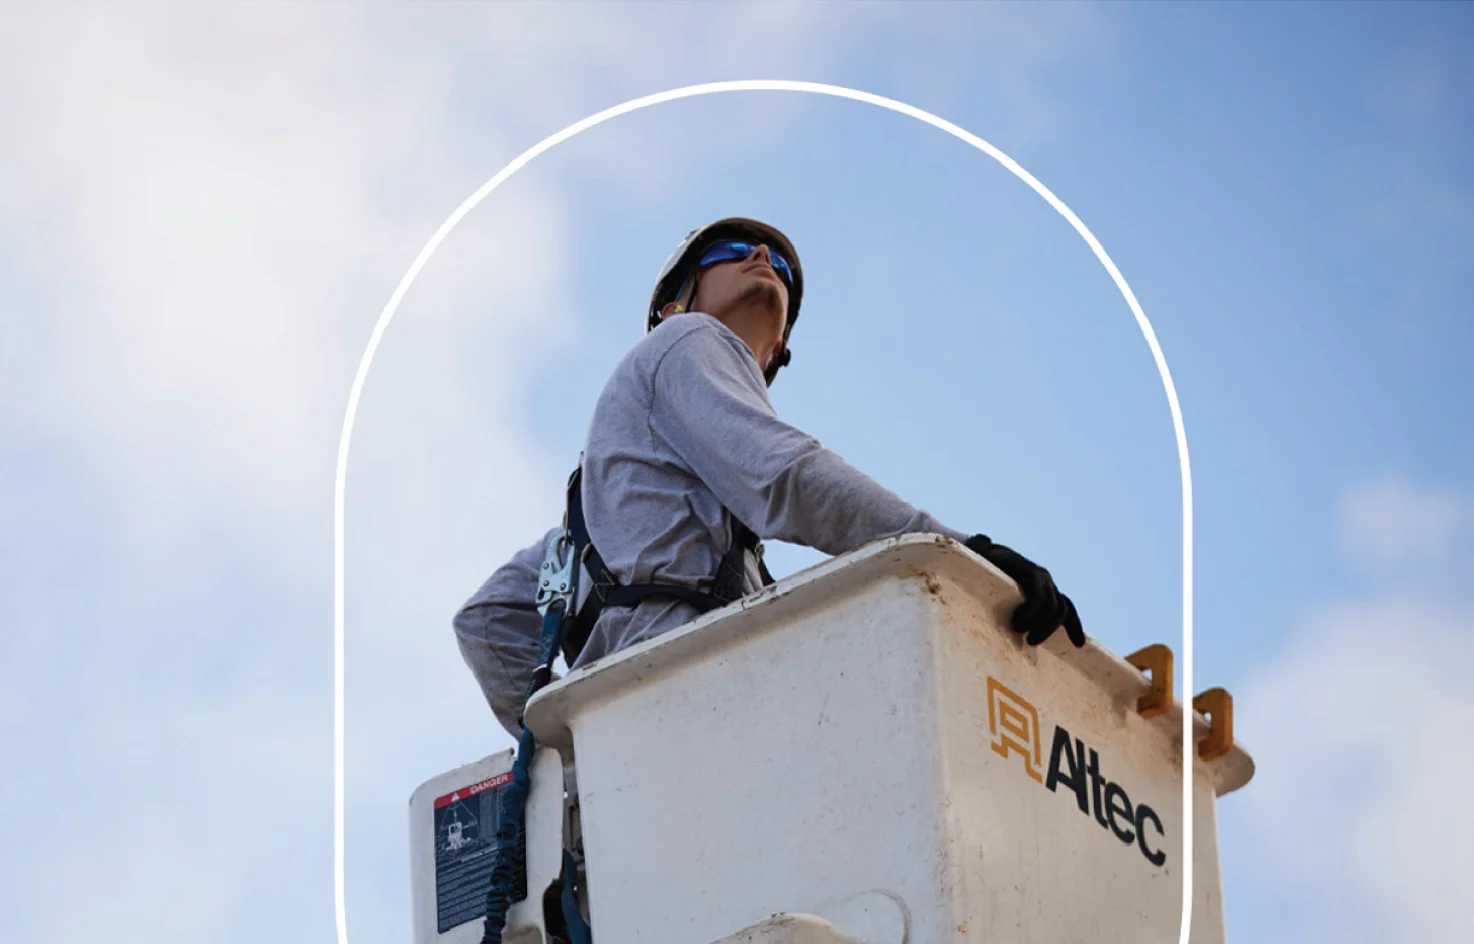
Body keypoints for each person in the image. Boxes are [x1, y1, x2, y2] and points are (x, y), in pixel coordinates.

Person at [455, 217, 1085, 736]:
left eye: (780, 267)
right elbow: (786, 479)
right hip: (698, 695)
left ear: (779, 350)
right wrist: (963, 559)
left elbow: (488, 620)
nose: (763, 255)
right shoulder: (687, 341)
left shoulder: (598, 511)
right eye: (733, 251)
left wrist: (569, 756)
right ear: (677, 301)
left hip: (638, 734)